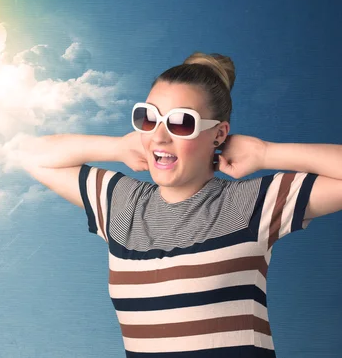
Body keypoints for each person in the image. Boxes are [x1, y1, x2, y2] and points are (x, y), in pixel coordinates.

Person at [18, 52, 342, 357]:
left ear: (219, 134)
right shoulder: (121, 205)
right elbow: (32, 156)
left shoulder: (250, 204)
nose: (159, 137)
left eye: (181, 123)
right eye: (149, 118)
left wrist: (266, 153)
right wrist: (117, 147)